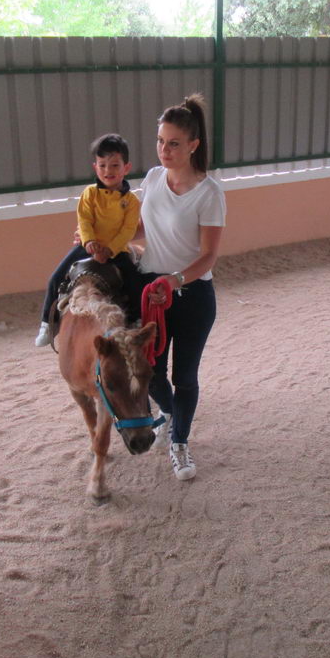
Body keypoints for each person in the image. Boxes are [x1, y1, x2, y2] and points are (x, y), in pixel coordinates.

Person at [136, 93, 226, 481]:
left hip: (190, 296)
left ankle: (179, 441)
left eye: (173, 143)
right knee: (149, 372)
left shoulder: (210, 194)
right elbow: (140, 231)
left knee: (185, 376)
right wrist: (100, 235)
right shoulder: (153, 179)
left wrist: (174, 280)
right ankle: (169, 413)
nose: (164, 150)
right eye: (160, 141)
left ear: (193, 145)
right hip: (150, 292)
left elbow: (208, 257)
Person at [35, 133, 143, 346]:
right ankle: (47, 324)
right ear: (95, 168)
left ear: (126, 168)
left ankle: (136, 318)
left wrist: (109, 250)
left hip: (117, 250)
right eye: (102, 165)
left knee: (134, 281)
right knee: (56, 277)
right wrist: (90, 242)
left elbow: (128, 230)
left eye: (114, 165)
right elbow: (84, 221)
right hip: (88, 247)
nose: (107, 171)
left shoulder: (131, 201)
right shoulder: (89, 194)